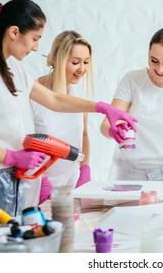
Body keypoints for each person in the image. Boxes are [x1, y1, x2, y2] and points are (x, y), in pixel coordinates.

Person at [0, 0, 136, 216]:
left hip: (16, 177)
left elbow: (55, 101)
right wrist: (11, 156)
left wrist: (102, 107)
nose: (37, 47)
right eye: (35, 39)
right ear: (14, 32)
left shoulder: (13, 70)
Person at [100, 27, 163, 189]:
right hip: (128, 172)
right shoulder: (133, 80)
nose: (159, 69)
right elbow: (107, 124)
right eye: (153, 60)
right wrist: (113, 131)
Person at [31, 30, 94, 204]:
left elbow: (84, 134)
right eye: (75, 62)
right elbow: (22, 142)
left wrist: (85, 169)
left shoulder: (78, 92)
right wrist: (41, 181)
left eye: (86, 62)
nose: (82, 69)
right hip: (37, 184)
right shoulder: (33, 93)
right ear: (57, 59)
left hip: (70, 185)